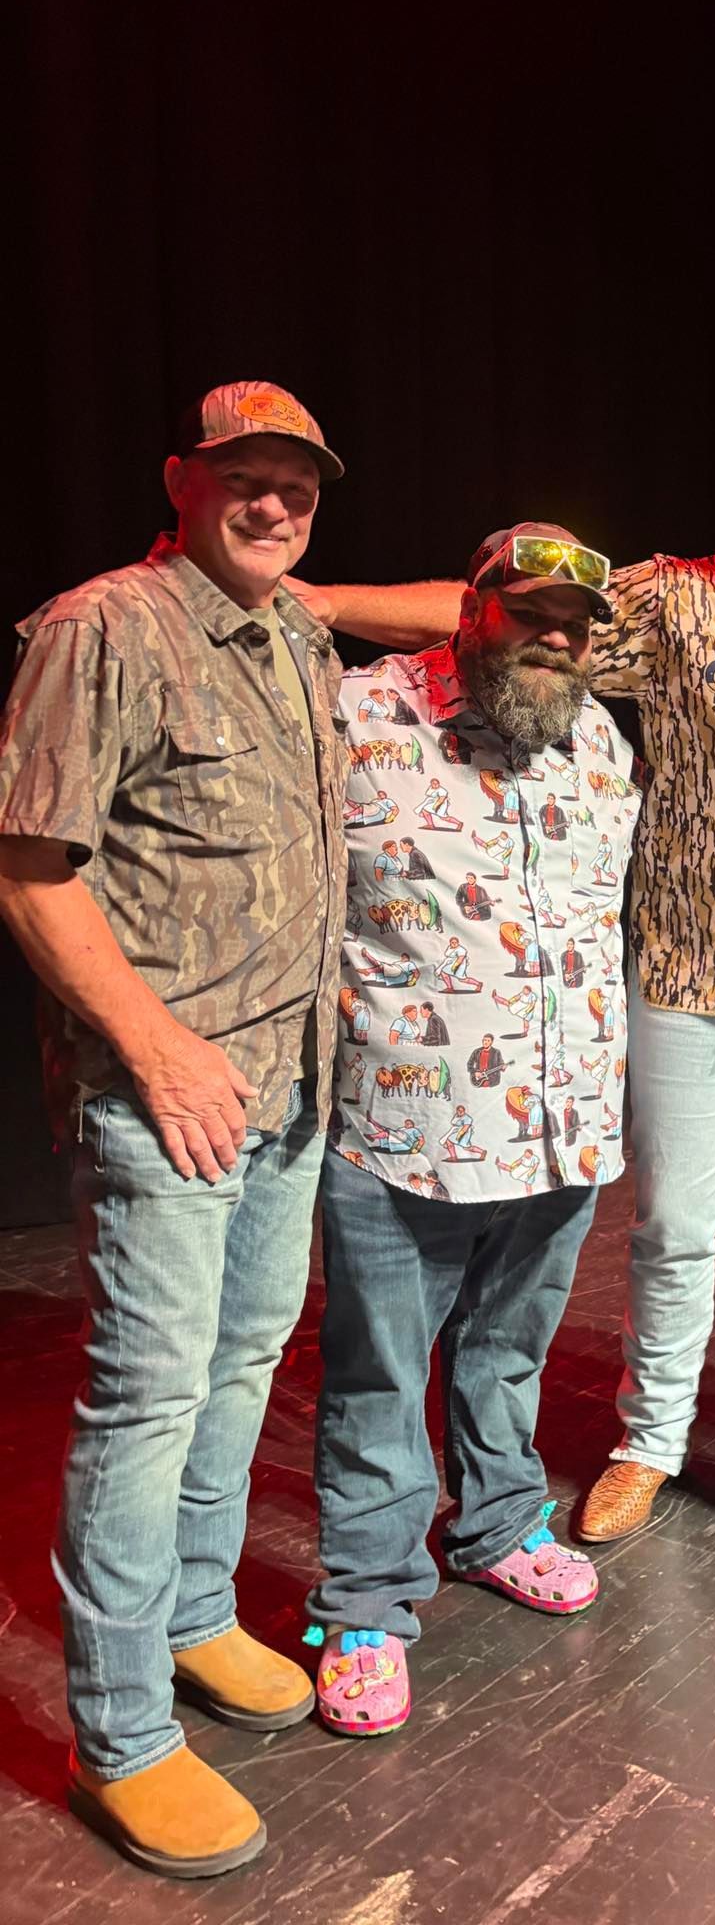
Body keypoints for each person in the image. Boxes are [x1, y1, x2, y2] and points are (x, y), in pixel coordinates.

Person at [291, 406, 715, 1555]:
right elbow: (500, 607)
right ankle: (651, 1440)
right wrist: (320, 603)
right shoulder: (677, 597)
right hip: (687, 967)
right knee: (679, 1223)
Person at [0, 381, 348, 1876]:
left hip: (292, 1084)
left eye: (297, 486)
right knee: (147, 1397)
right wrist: (155, 1050)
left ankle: (198, 1618)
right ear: (182, 481)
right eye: (244, 479)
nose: (272, 505)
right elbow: (31, 872)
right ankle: (124, 1733)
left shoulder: (299, 634)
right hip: (167, 1096)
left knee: (240, 1362)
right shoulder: (100, 630)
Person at [306, 522, 640, 1736]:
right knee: (380, 1375)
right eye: (529, 611)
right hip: (404, 1126)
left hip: (562, 1129)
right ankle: (365, 1602)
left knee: (508, 1349)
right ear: (470, 608)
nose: (555, 636)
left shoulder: (597, 738)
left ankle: (497, 1522)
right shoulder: (360, 712)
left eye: (576, 623)